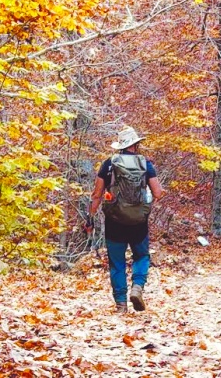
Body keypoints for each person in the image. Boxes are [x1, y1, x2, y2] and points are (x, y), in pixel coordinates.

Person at [88, 126, 164, 313]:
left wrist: (90, 216)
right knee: (141, 256)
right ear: (136, 145)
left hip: (115, 220)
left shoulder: (108, 164)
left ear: (120, 146)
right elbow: (157, 193)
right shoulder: (146, 164)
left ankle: (121, 304)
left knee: (117, 262)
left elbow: (97, 194)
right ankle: (137, 287)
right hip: (138, 221)